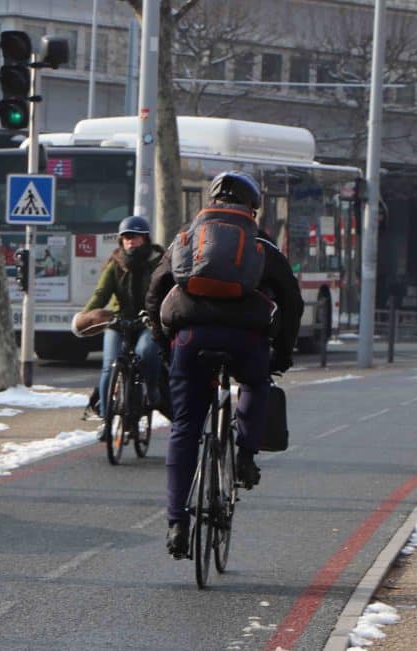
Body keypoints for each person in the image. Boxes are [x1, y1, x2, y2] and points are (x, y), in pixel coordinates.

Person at [145, 171, 303, 559]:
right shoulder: (261, 243)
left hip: (190, 339)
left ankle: (177, 524)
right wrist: (280, 354)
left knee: (184, 428)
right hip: (245, 339)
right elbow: (293, 300)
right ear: (252, 206)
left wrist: (166, 345)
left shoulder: (188, 237)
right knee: (254, 382)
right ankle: (246, 458)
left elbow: (156, 292)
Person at [75, 216, 166, 439]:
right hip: (119, 321)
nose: (130, 242)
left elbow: (165, 293)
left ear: (145, 239)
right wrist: (86, 316)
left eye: (134, 237)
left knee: (146, 353)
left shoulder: (158, 262)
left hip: (148, 321)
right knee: (110, 365)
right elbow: (100, 294)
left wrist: (158, 318)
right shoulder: (115, 264)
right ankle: (106, 421)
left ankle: (152, 391)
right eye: (125, 238)